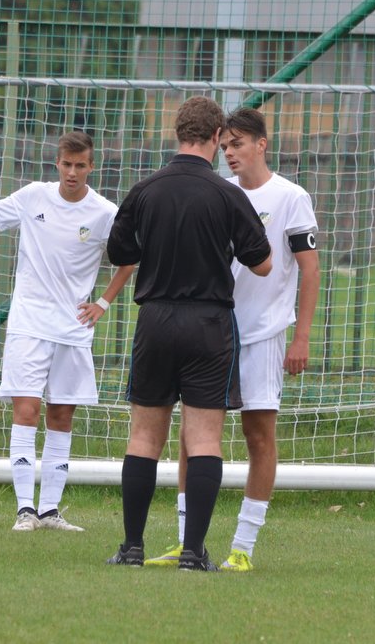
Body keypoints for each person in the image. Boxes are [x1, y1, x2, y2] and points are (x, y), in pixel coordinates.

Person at [0, 131, 134, 532]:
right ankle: (24, 509)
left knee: (62, 414)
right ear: (57, 164)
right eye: (66, 164)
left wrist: (102, 303)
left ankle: (50, 510)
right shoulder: (34, 195)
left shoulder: (104, 212)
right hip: (29, 324)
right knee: (26, 411)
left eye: (80, 165)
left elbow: (130, 257)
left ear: (92, 166)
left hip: (73, 330)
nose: (72, 172)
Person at [144, 107, 320, 571]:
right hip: (211, 330)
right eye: (225, 146)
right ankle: (188, 543)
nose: (230, 153)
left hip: (261, 334)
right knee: (191, 437)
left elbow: (308, 269)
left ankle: (243, 546)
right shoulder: (215, 193)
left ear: (262, 144)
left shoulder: (290, 196)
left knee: (258, 435)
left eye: (238, 144)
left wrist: (300, 336)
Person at [105, 97, 273, 571]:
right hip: (208, 323)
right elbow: (262, 263)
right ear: (218, 136)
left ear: (178, 132)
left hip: (154, 319)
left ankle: (132, 547)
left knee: (143, 438)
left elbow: (120, 251)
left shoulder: (145, 190)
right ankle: (193, 552)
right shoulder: (227, 195)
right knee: (203, 440)